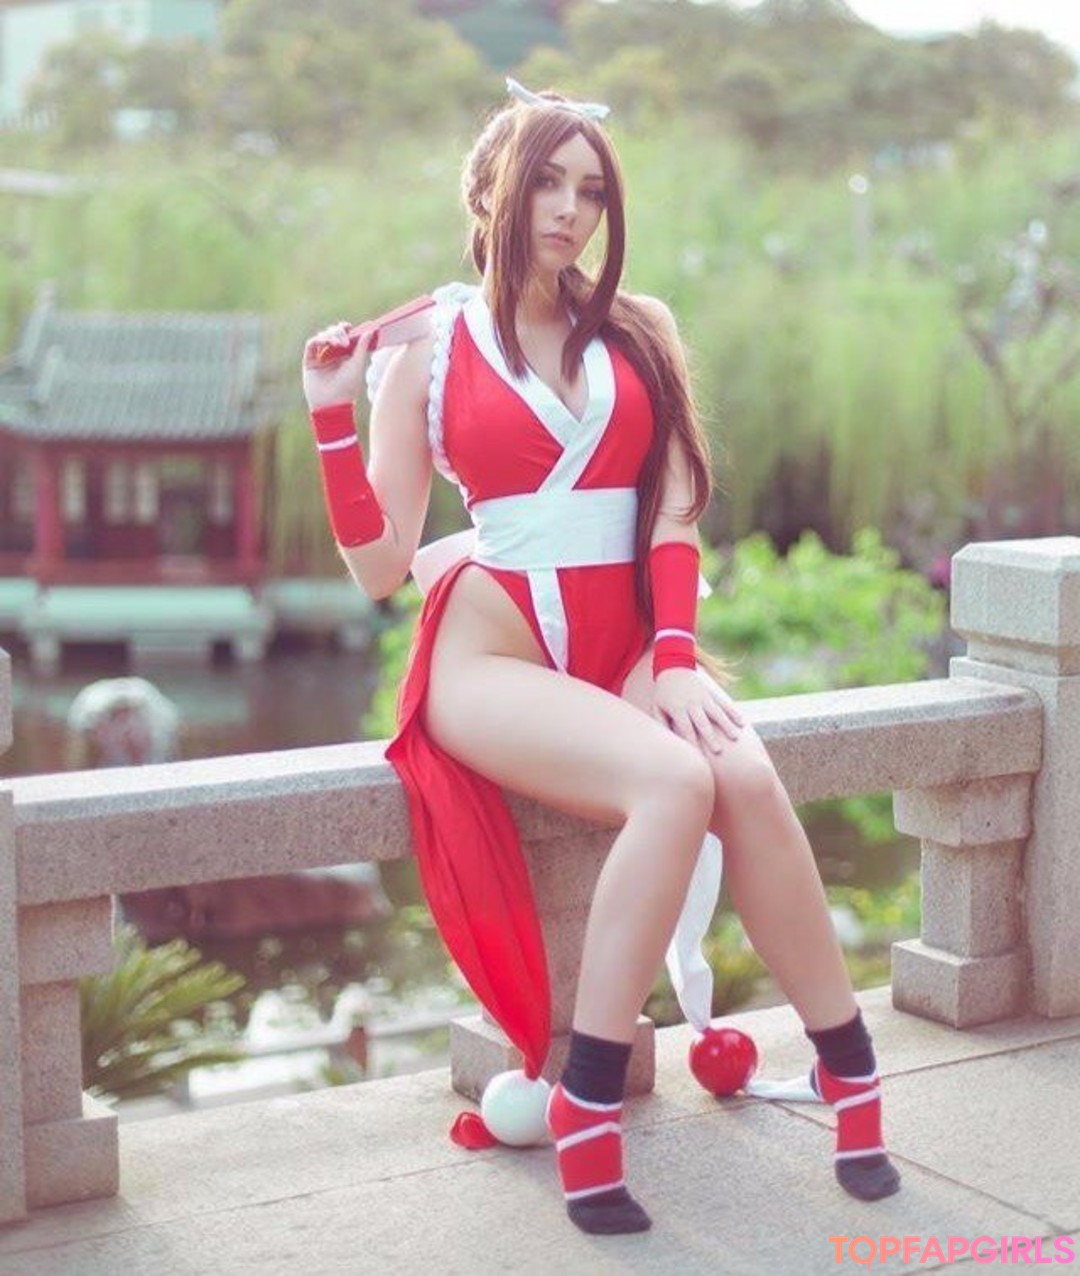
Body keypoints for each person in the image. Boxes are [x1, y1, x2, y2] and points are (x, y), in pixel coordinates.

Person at [300, 79, 901, 1236]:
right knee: (672, 781)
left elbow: (672, 514)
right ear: (491, 191)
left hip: (633, 640)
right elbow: (377, 566)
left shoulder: (639, 327)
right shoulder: (427, 351)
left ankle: (849, 1061)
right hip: (494, 650)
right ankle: (586, 1097)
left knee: (742, 775)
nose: (570, 211)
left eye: (590, 191)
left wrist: (675, 659)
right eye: (546, 183)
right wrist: (330, 415)